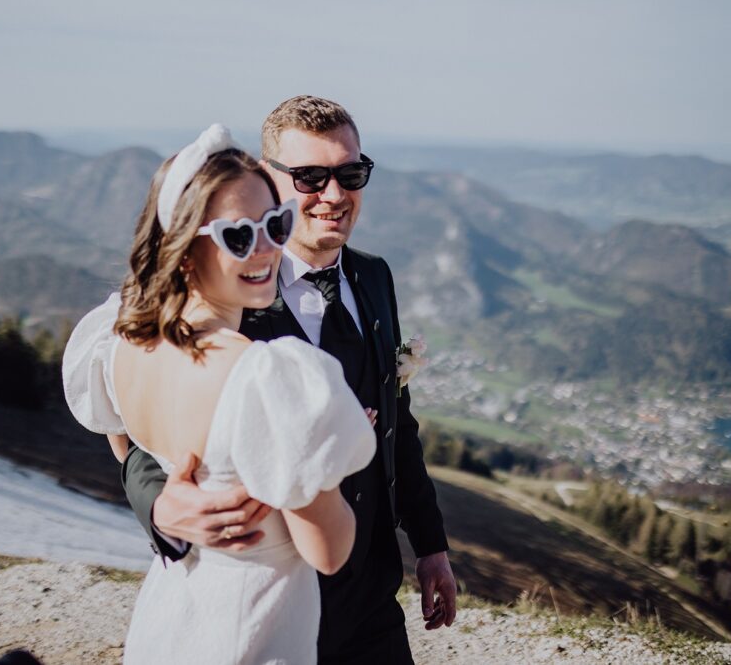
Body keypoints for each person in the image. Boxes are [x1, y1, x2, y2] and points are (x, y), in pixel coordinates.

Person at [66, 96, 456, 663]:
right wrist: (159, 508)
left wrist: (431, 546)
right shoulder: (226, 299)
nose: (335, 194)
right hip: (270, 607)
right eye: (310, 177)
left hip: (371, 600)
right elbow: (147, 437)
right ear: (271, 178)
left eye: (351, 173)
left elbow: (400, 418)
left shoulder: (374, 277)